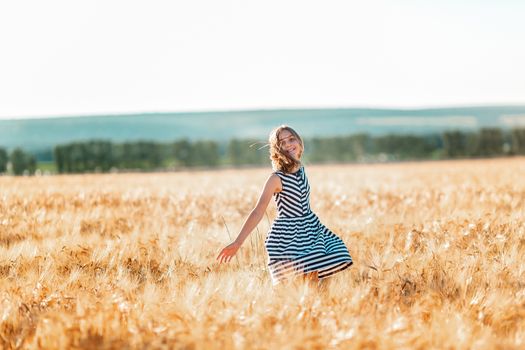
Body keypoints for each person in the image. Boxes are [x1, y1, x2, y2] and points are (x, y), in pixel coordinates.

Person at [216, 125, 353, 287]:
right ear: (277, 149)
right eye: (282, 142)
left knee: (332, 260)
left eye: (291, 139)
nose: (288, 144)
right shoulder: (276, 178)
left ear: (299, 142)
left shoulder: (301, 170)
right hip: (289, 236)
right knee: (298, 284)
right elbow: (259, 210)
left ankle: (322, 309)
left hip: (311, 228)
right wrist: (238, 242)